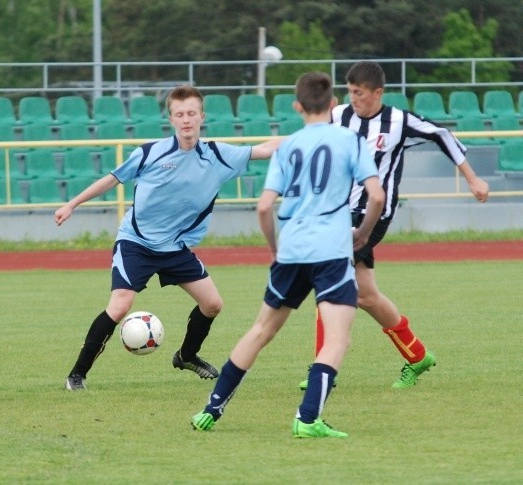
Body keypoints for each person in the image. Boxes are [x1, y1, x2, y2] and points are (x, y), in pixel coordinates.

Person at [190, 71, 385, 438]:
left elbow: (264, 208)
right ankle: (307, 419)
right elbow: (376, 196)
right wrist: (362, 232)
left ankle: (210, 409)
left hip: (292, 249)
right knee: (337, 339)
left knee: (261, 330)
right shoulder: (350, 139)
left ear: (297, 106)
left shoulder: (289, 146)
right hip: (330, 250)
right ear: (332, 104)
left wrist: (275, 248)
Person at [55, 84, 281, 391]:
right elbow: (111, 179)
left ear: (202, 116)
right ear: (171, 119)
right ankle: (77, 374)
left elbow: (266, 149)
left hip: (175, 247)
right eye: (179, 114)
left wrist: (316, 134)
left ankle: (186, 356)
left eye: (191, 113)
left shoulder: (218, 154)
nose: (186, 119)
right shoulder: (149, 153)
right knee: (120, 305)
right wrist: (72, 204)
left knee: (213, 304)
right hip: (136, 242)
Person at [299, 61, 491, 390]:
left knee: (328, 273)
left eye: (359, 93)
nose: (354, 98)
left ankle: (324, 366)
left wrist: (473, 179)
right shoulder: (339, 115)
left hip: (374, 215)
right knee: (367, 295)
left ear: (378, 93)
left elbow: (441, 135)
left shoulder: (398, 121)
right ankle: (417, 356)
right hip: (339, 212)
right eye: (350, 92)